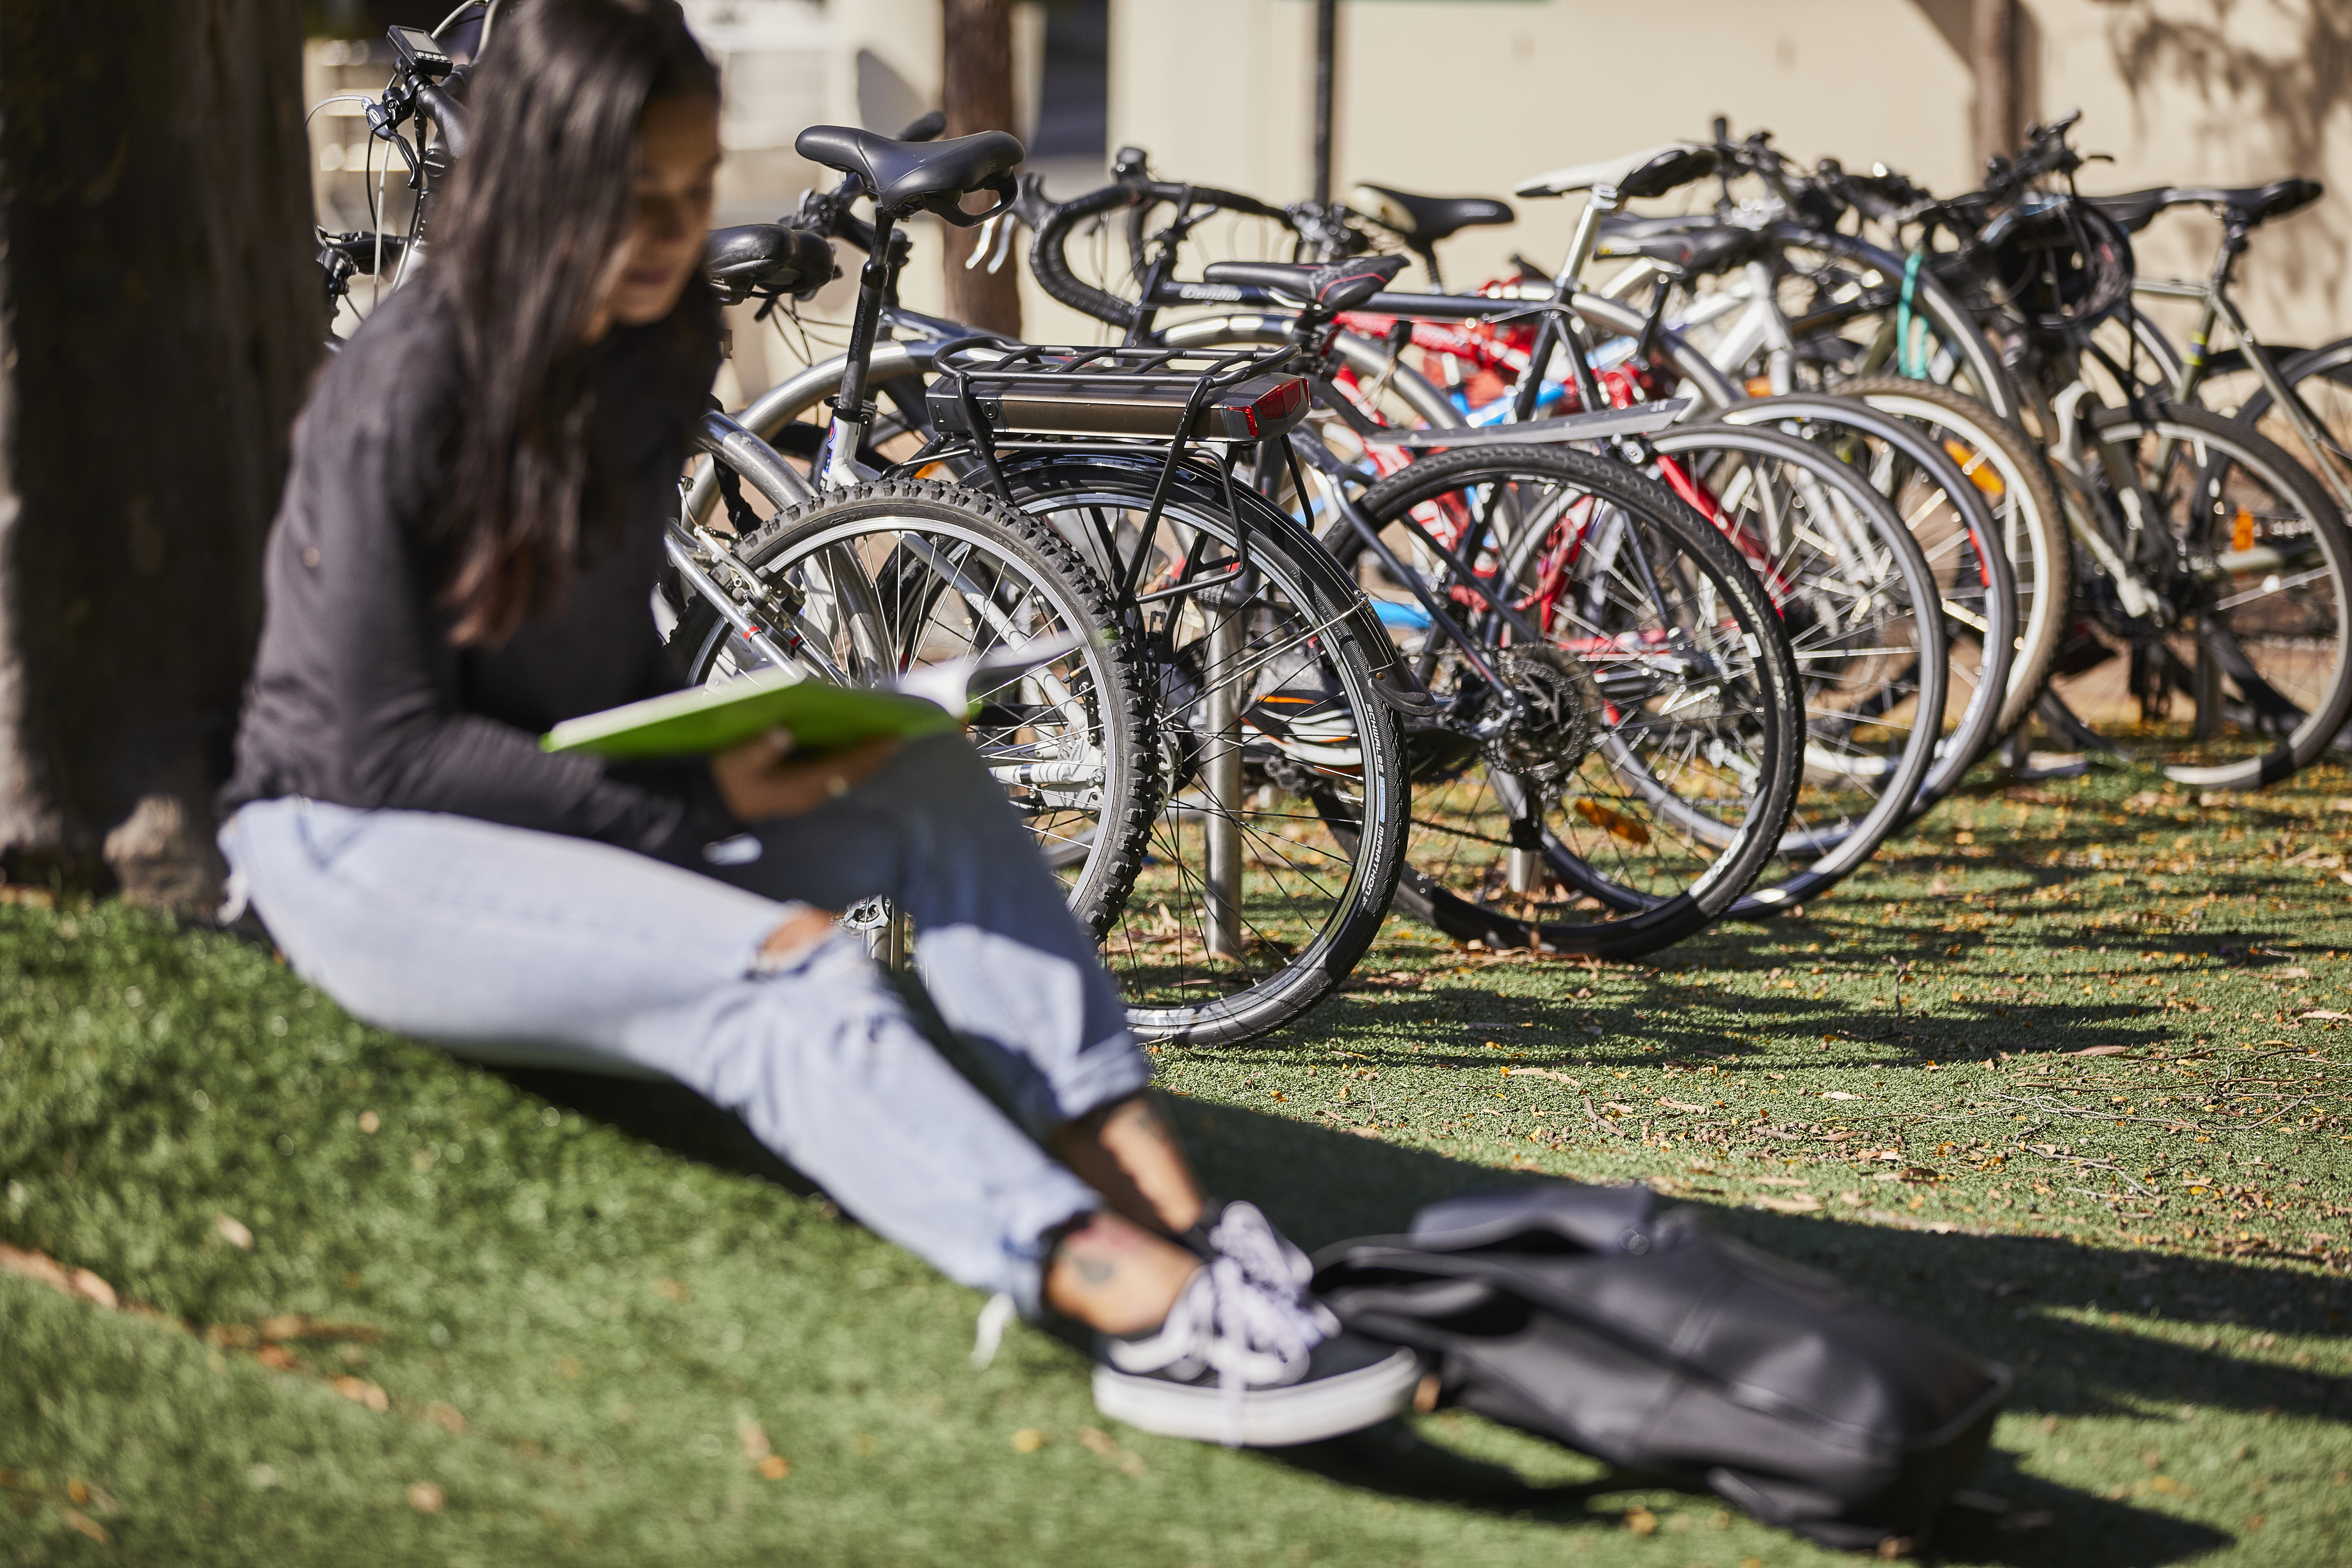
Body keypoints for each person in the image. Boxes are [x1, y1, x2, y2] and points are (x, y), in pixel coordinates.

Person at [214, 0, 1415, 1448]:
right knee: (797, 980)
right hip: (354, 854)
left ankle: (1177, 1202)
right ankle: (1135, 1304)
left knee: (926, 779)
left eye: (690, 186)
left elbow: (598, 675)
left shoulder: (644, 351)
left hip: (552, 808)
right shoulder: (405, 384)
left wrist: (738, 747)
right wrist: (677, 813)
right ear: (537, 177)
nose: (670, 231)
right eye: (629, 196)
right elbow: (373, 751)